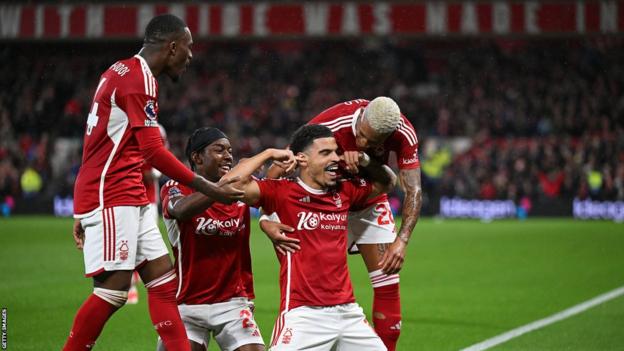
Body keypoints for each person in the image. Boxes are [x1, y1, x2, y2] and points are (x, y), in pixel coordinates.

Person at [65, 14, 243, 351]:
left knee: (163, 281)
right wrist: (210, 188)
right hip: (112, 193)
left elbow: (98, 142)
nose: (191, 57)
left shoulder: (120, 69)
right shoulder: (140, 81)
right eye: (188, 49)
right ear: (172, 47)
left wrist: (79, 207)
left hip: (126, 193)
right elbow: (153, 151)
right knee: (113, 292)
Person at [264, 97, 422, 350]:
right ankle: (298, 328)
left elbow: (412, 189)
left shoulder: (404, 134)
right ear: (360, 119)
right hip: (325, 201)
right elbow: (278, 171)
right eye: (360, 135)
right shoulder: (331, 122)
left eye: (373, 143)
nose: (362, 143)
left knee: (387, 281)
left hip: (368, 197)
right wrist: (266, 219)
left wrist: (401, 241)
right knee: (307, 283)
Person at [225, 124, 395, 350]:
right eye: (325, 153)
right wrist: (268, 153)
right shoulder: (281, 192)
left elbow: (388, 182)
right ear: (302, 159)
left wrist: (363, 159)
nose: (335, 158)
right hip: (303, 315)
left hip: (348, 313)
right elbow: (229, 184)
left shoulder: (344, 191)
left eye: (335, 151)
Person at [157, 127, 278, 351]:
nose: (228, 156)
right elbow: (181, 210)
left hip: (232, 304)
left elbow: (273, 194)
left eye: (230, 151)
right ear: (197, 157)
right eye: (219, 150)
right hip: (186, 305)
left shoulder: (239, 187)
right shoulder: (175, 187)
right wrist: (222, 187)